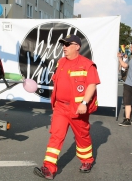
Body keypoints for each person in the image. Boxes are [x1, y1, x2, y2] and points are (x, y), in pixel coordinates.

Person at [33, 35, 100, 179]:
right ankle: (48, 168)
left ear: (77, 47)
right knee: (56, 136)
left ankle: (87, 160)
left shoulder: (88, 64)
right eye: (63, 44)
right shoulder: (61, 62)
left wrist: (84, 103)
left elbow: (92, 85)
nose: (64, 47)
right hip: (61, 108)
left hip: (77, 109)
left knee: (82, 136)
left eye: (68, 44)